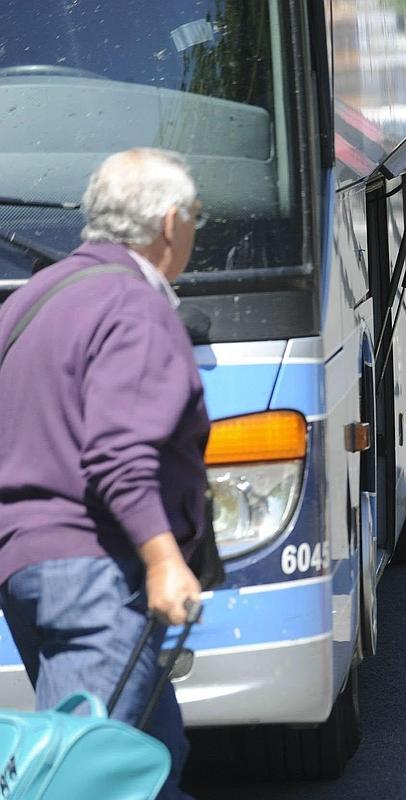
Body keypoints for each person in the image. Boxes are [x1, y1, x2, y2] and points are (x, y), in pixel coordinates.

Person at [0, 148, 210, 799]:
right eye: (196, 217)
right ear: (171, 222)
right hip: (94, 575)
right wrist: (163, 559)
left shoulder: (31, 299)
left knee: (150, 759)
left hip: (29, 567)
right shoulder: (134, 306)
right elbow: (118, 453)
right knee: (88, 780)